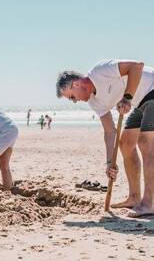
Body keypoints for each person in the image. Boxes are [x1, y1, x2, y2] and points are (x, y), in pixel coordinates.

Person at [56, 59, 154, 217]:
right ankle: (135, 197)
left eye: (72, 97)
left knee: (146, 142)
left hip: (151, 91)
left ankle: (149, 203)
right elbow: (109, 131)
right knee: (126, 144)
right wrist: (110, 163)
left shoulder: (100, 71)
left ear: (76, 84)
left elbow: (137, 66)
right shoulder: (94, 101)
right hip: (139, 102)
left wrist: (127, 98)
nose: (74, 101)